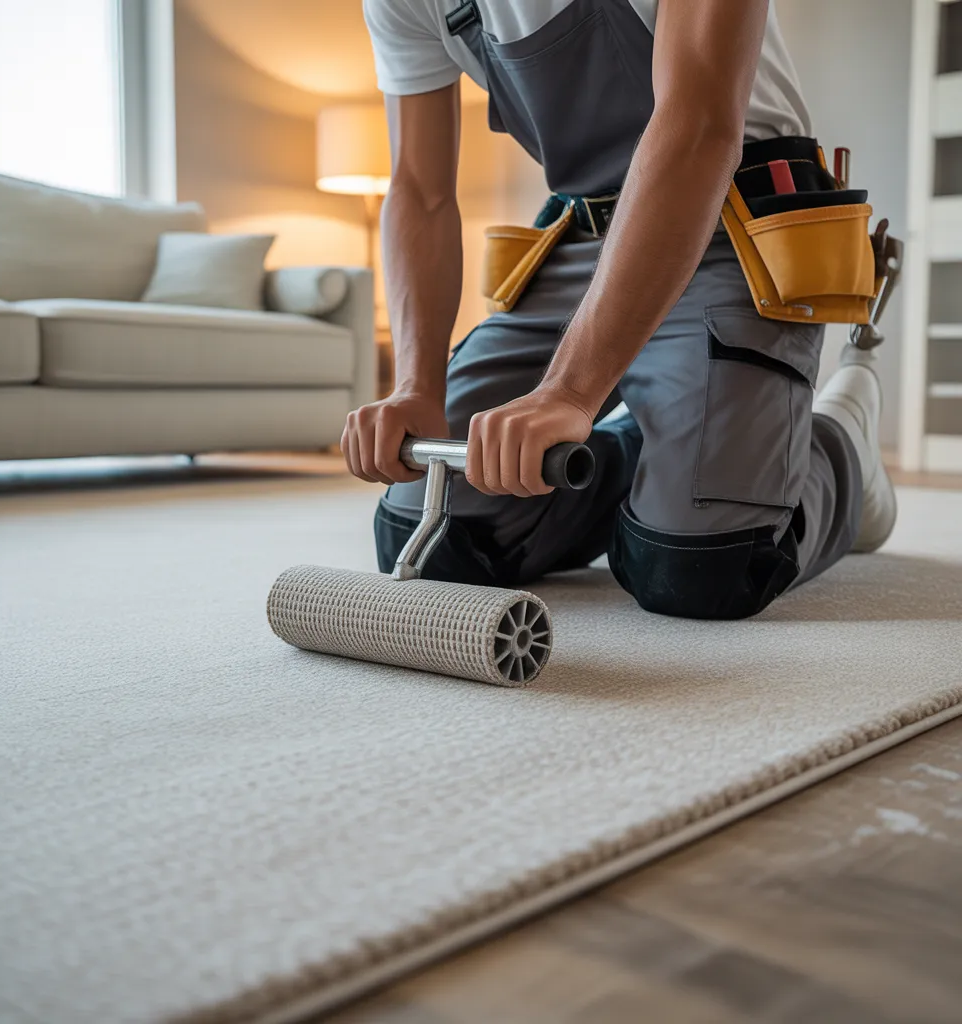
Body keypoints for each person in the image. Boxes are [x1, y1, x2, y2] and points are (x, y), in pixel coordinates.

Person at [341, 0, 897, 620]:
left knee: (702, 568)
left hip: (734, 221)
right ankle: (662, 446)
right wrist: (417, 386)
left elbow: (699, 127)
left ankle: (843, 445)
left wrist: (569, 390)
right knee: (434, 537)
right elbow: (419, 189)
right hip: (588, 232)